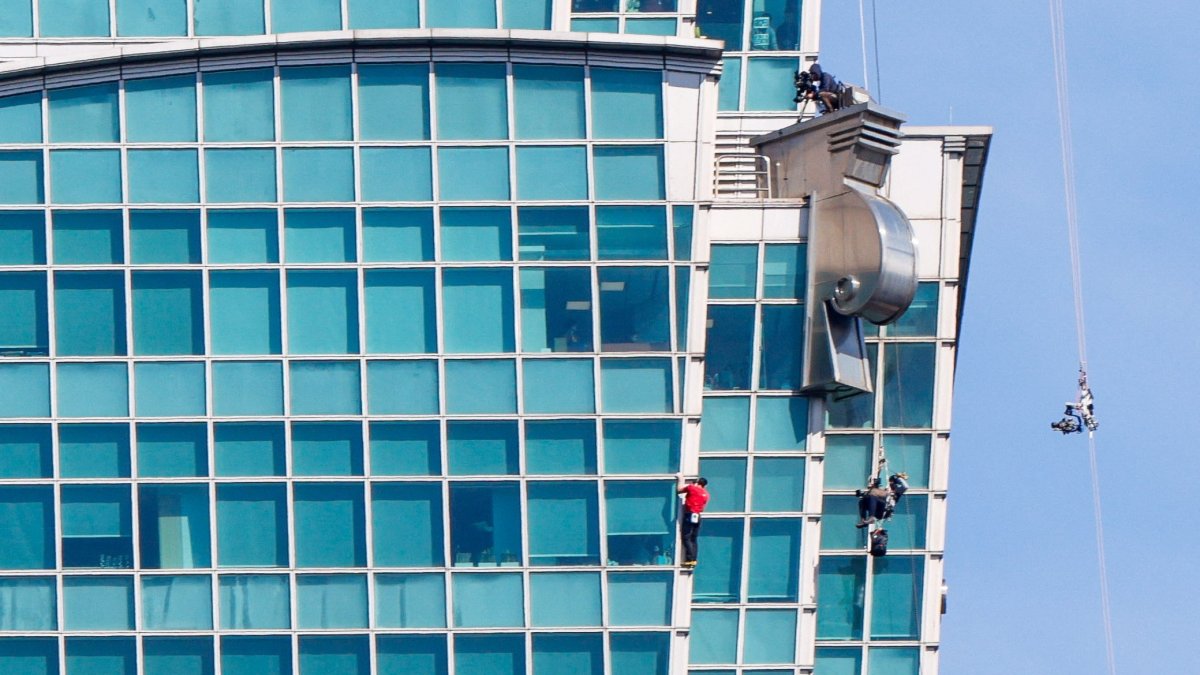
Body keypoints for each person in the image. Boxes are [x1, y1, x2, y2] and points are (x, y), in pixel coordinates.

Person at [677, 477, 709, 568]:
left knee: (686, 537)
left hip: (690, 514)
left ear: (697, 482)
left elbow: (679, 490)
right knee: (693, 539)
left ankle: (689, 559)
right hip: (698, 515)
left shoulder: (692, 488)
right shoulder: (706, 494)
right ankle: (693, 560)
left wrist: (680, 479)